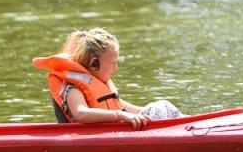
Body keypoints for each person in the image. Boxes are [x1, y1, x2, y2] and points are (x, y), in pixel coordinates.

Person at [32, 27, 182, 129]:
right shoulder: (72, 89)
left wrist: (141, 112)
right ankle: (190, 126)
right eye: (113, 63)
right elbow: (82, 114)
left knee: (161, 107)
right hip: (93, 136)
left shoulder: (100, 85)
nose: (115, 68)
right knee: (160, 108)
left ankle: (193, 122)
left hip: (115, 128)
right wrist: (121, 116)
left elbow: (122, 106)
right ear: (94, 63)